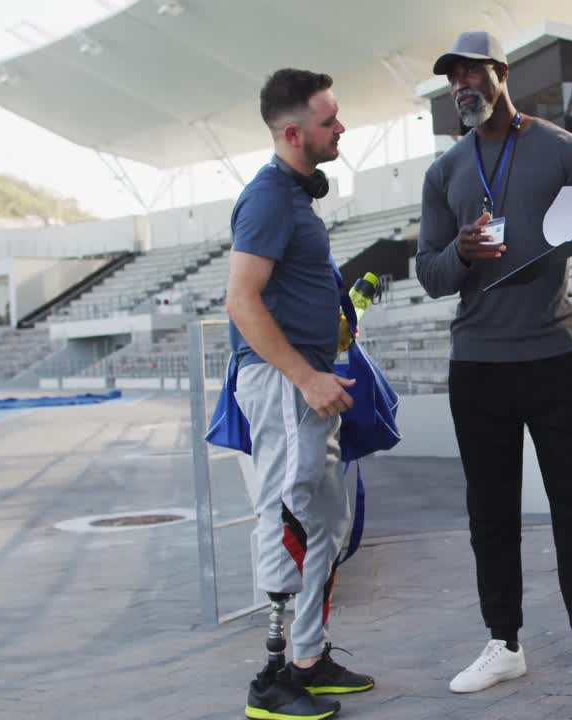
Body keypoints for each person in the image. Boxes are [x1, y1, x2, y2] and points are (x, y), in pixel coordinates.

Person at [417, 31, 572, 694]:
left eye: (472, 73)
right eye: (452, 78)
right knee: (490, 515)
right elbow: (429, 275)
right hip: (479, 365)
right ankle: (503, 643)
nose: (462, 86)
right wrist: (463, 252)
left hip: (556, 355)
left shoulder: (563, 149)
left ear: (501, 73)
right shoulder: (444, 173)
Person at [226, 68, 374, 720]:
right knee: (288, 518)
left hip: (310, 380)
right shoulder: (266, 199)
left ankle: (308, 658)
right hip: (287, 384)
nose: (340, 127)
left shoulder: (296, 200)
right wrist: (304, 375)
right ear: (293, 133)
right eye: (329, 120)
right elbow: (241, 300)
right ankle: (271, 676)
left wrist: (333, 333)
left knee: (323, 522)